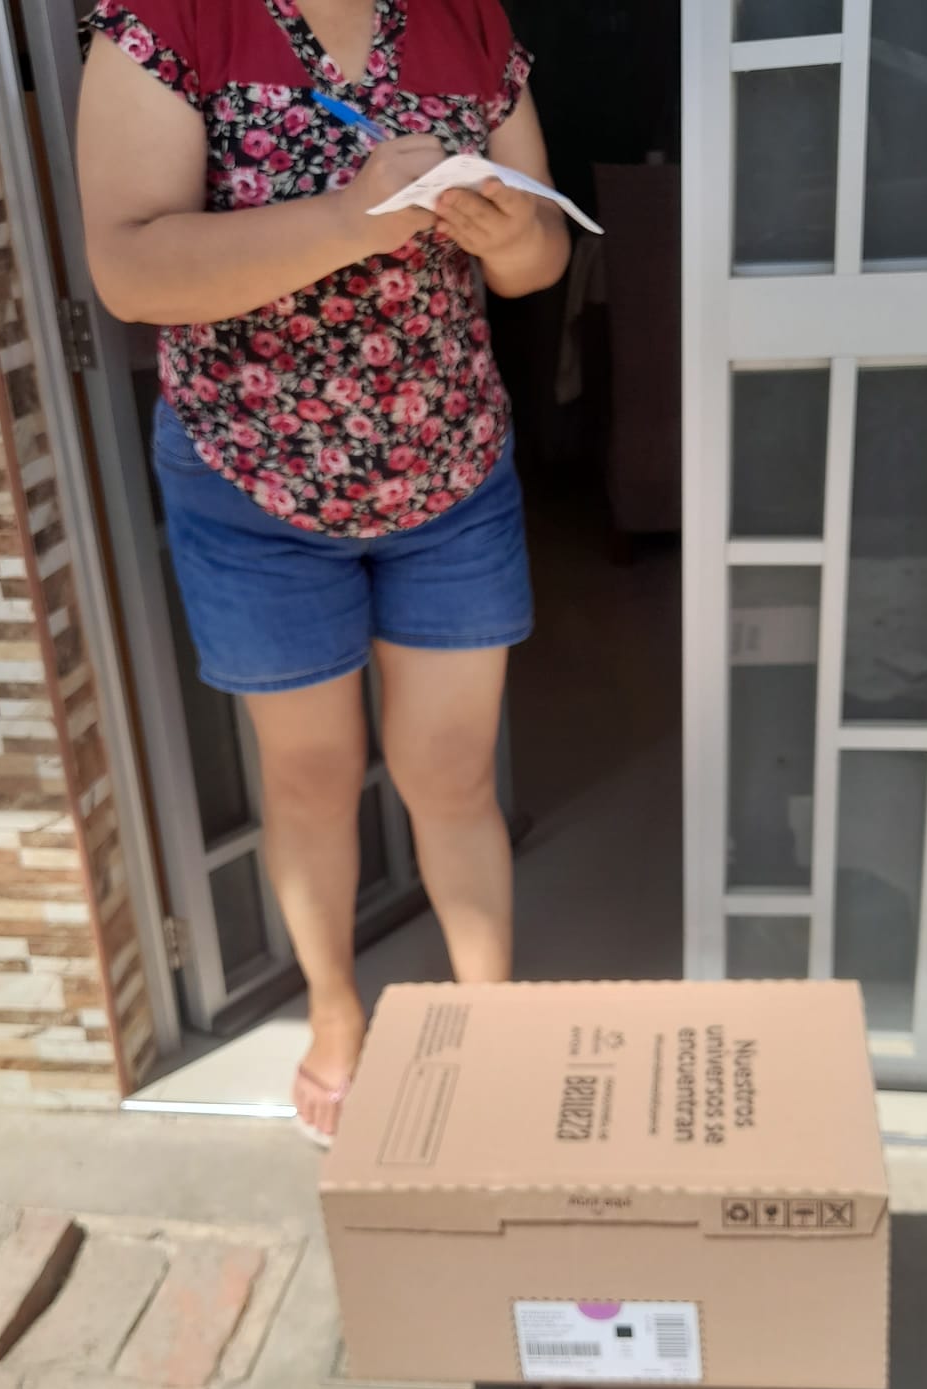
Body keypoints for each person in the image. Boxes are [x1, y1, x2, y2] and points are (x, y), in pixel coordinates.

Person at [77, 0, 570, 1144]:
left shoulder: (467, 22)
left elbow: (538, 258)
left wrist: (507, 236)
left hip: (447, 465)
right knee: (308, 774)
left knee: (451, 771)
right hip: (253, 478)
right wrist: (350, 220)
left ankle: (488, 1014)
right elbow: (131, 270)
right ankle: (335, 1009)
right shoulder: (167, 24)